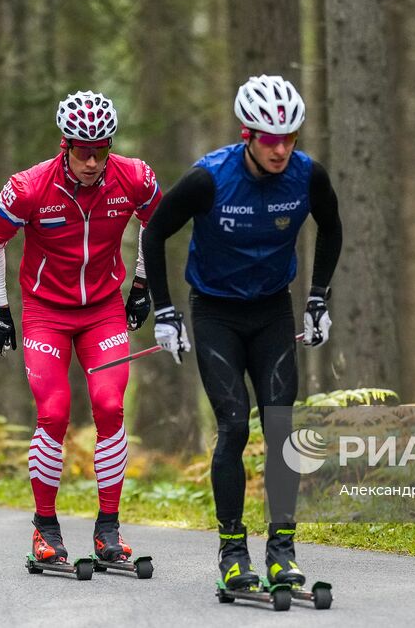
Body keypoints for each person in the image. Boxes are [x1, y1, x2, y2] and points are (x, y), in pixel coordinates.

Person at [141, 74, 342, 591]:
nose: (280, 149)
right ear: (246, 134)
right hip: (215, 313)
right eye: (269, 139)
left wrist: (318, 297)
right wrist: (164, 311)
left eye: (290, 138)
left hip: (272, 310)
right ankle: (233, 552)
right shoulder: (209, 178)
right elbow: (155, 230)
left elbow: (332, 225)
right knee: (234, 426)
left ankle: (282, 550)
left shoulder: (306, 176)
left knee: (281, 428)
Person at [0, 91, 160, 566]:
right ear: (66, 145)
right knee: (54, 414)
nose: (93, 161)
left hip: (103, 309)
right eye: (83, 149)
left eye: (102, 149)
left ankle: (108, 530)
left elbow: (155, 223)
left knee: (109, 406)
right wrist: (0, 308)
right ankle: (45, 529)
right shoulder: (29, 186)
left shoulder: (133, 176)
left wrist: (141, 283)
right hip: (46, 313)